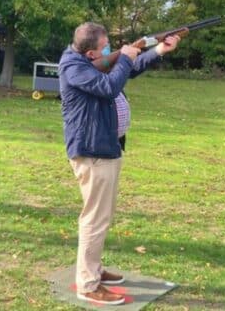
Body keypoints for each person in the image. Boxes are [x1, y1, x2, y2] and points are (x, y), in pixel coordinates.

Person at [58, 22, 180, 305]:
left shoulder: (88, 62)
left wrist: (159, 49)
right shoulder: (74, 68)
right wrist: (125, 56)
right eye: (105, 48)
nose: (110, 50)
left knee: (103, 216)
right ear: (90, 53)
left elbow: (127, 70)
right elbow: (110, 86)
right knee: (94, 219)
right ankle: (88, 284)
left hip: (106, 148)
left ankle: (95, 269)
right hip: (92, 152)